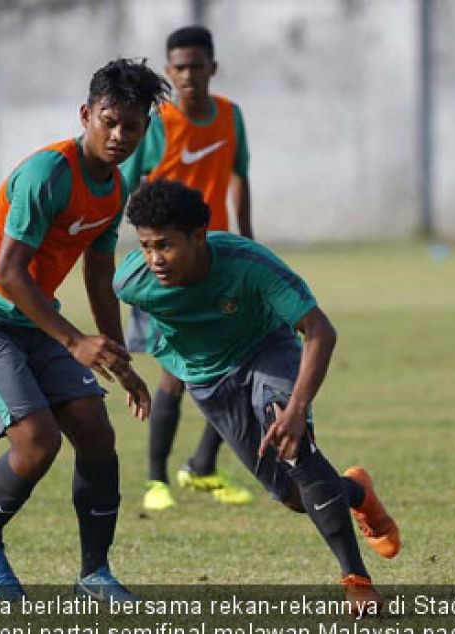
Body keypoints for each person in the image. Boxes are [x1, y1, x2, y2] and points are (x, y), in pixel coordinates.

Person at [0, 58, 168, 600]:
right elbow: (8, 273)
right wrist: (74, 340)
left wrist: (119, 357)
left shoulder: (113, 190)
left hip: (34, 319)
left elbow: (99, 270)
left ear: (143, 130)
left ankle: (94, 573)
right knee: (37, 443)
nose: (118, 135)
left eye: (130, 127)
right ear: (86, 114)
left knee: (95, 431)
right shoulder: (49, 173)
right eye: (108, 121)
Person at [114, 179, 400, 607]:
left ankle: (356, 581)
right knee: (292, 496)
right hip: (208, 383)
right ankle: (356, 492)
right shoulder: (132, 282)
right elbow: (146, 333)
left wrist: (297, 408)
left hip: (266, 350)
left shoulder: (248, 264)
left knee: (293, 444)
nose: (155, 258)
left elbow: (319, 330)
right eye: (146, 245)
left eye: (166, 246)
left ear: (198, 236)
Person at [120, 25, 255, 511]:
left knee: (239, 366)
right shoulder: (156, 124)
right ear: (168, 72)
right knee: (175, 372)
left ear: (212, 68)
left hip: (217, 263)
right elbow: (127, 186)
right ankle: (157, 481)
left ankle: (201, 466)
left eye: (197, 66)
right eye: (178, 68)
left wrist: (247, 238)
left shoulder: (230, 117)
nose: (188, 76)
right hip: (169, 270)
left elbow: (239, 173)